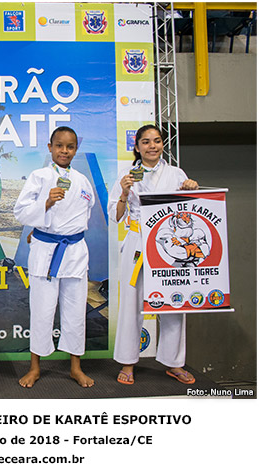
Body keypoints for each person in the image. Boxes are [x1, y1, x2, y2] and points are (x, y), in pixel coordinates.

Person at [109, 124, 199, 385]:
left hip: (170, 244)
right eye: (146, 142)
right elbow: (116, 216)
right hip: (138, 241)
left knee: (174, 298)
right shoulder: (126, 175)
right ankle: (128, 361)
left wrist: (191, 189)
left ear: (162, 144)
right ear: (137, 147)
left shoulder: (176, 174)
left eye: (157, 141)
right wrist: (124, 192)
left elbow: (190, 212)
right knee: (131, 302)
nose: (152, 146)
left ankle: (174, 362)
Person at [14, 126, 95, 388]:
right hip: (46, 252)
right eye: (59, 145)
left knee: (75, 311)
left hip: (75, 251)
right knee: (41, 310)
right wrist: (46, 204)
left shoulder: (83, 181)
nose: (64, 151)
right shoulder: (39, 177)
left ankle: (75, 367)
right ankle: (35, 367)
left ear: (76, 150)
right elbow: (21, 212)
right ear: (50, 147)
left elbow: (85, 214)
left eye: (70, 147)